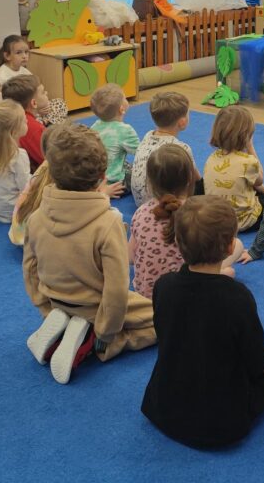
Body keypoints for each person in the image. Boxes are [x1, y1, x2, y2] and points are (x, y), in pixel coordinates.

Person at [142, 197, 264, 448]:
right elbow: (256, 362)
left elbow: (167, 337)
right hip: (221, 422)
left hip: (162, 406)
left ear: (177, 241)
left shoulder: (164, 285)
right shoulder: (236, 296)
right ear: (231, 246)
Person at [22, 123, 156, 385]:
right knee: (167, 320)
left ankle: (63, 326)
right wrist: (105, 332)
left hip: (56, 303)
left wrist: (45, 308)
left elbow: (29, 268)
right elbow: (116, 289)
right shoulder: (108, 222)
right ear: (102, 176)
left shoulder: (36, 218)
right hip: (96, 310)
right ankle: (94, 341)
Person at [130, 145, 246, 298]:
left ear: (150, 182)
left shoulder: (140, 212)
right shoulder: (194, 213)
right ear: (189, 179)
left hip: (144, 294)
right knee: (237, 247)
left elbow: (130, 257)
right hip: (186, 290)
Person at [130, 91, 202, 205]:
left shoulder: (148, 135)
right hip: (163, 205)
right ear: (182, 122)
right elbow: (196, 179)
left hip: (140, 201)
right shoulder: (181, 148)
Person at [204, 105, 264, 232]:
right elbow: (260, 180)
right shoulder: (248, 162)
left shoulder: (212, 157)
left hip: (216, 218)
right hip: (242, 221)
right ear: (246, 136)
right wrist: (250, 147)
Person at [0, 34, 68, 125]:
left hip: (33, 107)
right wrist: (35, 111)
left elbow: (36, 91)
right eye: (19, 53)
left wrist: (41, 106)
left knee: (60, 103)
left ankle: (43, 122)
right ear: (7, 55)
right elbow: (4, 105)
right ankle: (42, 123)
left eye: (26, 52)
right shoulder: (0, 76)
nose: (24, 56)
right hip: (17, 113)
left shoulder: (25, 71)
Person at [89, 84, 139, 188]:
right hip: (115, 182)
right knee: (141, 174)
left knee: (125, 163)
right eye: (125, 98)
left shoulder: (94, 126)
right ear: (122, 109)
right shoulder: (125, 130)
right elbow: (140, 152)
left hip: (96, 179)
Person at [1, 74, 50, 172]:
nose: (46, 93)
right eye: (43, 92)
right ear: (34, 103)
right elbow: (49, 161)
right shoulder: (33, 127)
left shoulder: (13, 118)